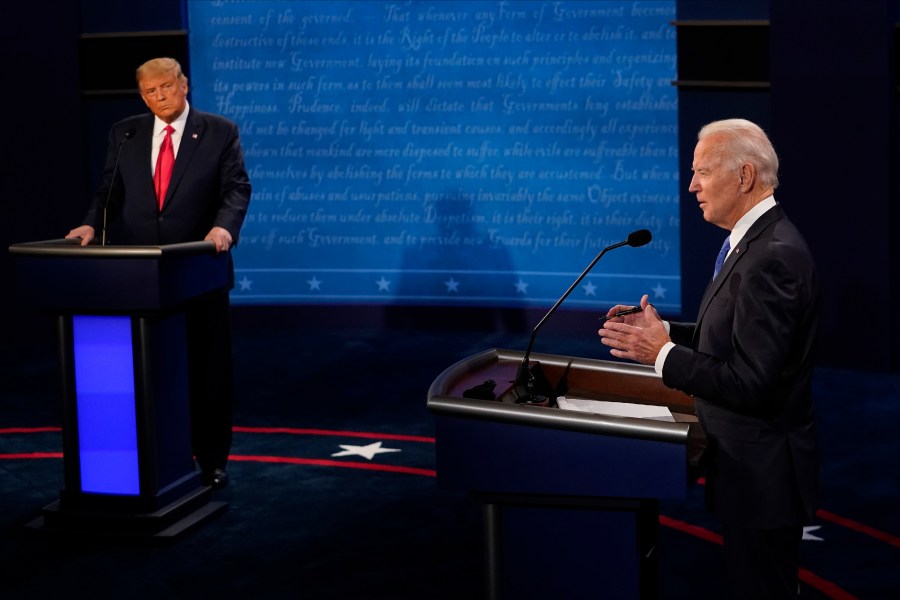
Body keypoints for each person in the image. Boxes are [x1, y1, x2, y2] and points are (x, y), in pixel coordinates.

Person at [598, 118, 821, 599]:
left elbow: (751, 382)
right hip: (749, 470)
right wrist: (665, 334)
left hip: (762, 478)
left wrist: (663, 354)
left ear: (743, 177)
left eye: (702, 172)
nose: (692, 185)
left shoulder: (771, 257)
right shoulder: (754, 242)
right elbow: (738, 337)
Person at [66, 57, 251, 490]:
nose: (159, 96)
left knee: (207, 369)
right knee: (150, 369)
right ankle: (157, 452)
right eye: (149, 91)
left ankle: (212, 460)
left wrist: (224, 226)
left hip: (198, 268)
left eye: (166, 86)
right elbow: (109, 189)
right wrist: (92, 223)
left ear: (183, 85)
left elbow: (236, 187)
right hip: (138, 275)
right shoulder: (126, 132)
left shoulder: (219, 130)